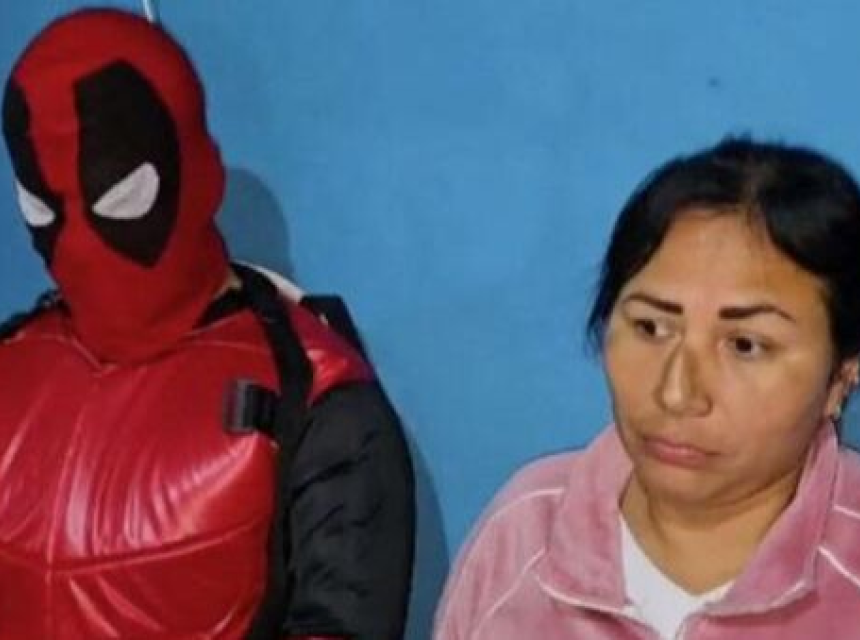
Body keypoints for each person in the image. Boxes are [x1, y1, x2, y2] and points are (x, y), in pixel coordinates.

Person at [0, 8, 414, 640]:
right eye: (42, 207)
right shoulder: (14, 367)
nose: (81, 246)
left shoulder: (318, 401)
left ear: (195, 170)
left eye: (121, 198)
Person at [434, 138, 860, 639]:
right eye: (651, 328)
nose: (677, 393)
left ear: (841, 375)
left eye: (745, 345)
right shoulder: (525, 530)